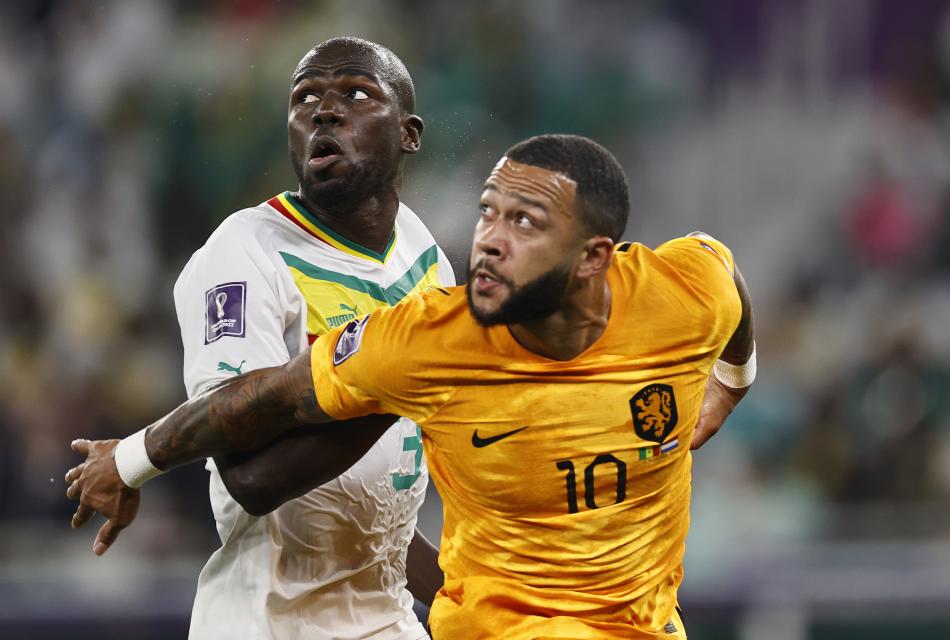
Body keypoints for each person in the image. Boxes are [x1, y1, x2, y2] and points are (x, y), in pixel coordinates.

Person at [67, 134, 756, 639]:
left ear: (594, 259)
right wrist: (130, 461)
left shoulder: (682, 294)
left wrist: (734, 378)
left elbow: (729, 285)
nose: (488, 239)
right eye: (488, 212)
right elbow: (266, 398)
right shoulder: (427, 340)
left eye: (524, 223)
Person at [118, 37, 453, 639]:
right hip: (268, 622)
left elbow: (384, 534)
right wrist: (399, 378)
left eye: (356, 93)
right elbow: (251, 480)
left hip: (386, 619)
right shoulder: (243, 254)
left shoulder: (422, 254)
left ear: (409, 133)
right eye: (305, 99)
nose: (324, 110)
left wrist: (478, 596)